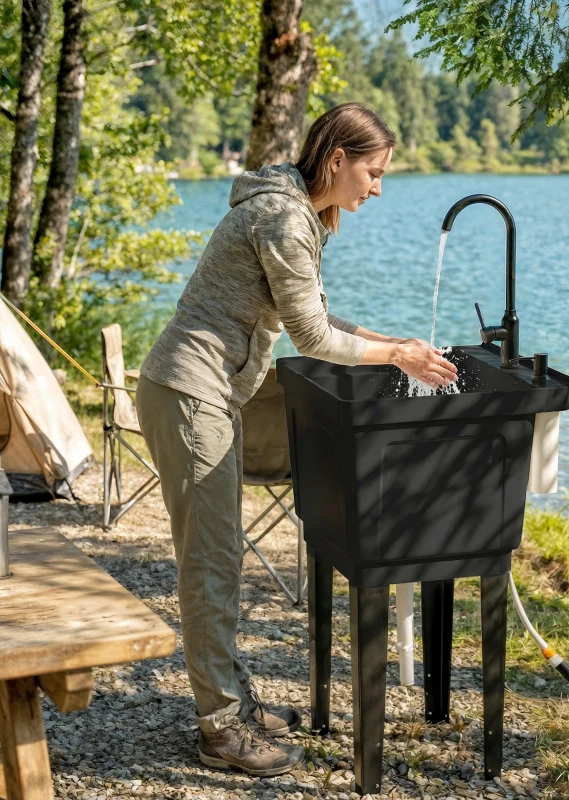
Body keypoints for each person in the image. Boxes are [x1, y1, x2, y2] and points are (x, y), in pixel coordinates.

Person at [135, 102, 458, 777]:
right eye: (373, 172)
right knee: (211, 564)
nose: (378, 188)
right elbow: (311, 338)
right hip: (190, 393)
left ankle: (232, 702)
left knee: (221, 558)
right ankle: (219, 729)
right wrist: (396, 357)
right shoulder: (284, 218)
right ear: (337, 160)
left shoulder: (293, 212)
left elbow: (315, 314)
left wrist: (392, 343)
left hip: (204, 392)